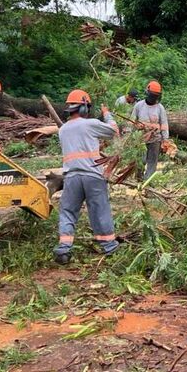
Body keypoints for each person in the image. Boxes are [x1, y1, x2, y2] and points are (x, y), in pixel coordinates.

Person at [54, 89, 119, 264]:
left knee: (68, 212)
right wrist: (107, 115)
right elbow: (114, 132)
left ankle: (64, 249)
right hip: (93, 176)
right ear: (83, 108)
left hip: (71, 178)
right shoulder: (90, 124)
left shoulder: (63, 130)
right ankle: (110, 247)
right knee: (100, 211)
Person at [131, 80, 169, 181]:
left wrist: (165, 140)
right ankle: (138, 179)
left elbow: (164, 124)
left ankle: (148, 182)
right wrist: (134, 128)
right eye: (152, 95)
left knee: (152, 162)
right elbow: (131, 121)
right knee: (141, 160)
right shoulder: (139, 106)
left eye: (156, 96)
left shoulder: (160, 108)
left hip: (155, 139)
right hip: (141, 139)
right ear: (147, 93)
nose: (154, 98)